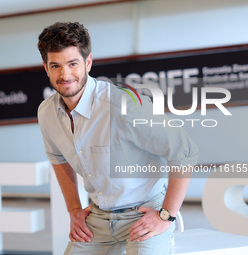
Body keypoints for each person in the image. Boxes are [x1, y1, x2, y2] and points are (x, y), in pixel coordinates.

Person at [37, 21, 198, 255]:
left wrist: (166, 215)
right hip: (98, 217)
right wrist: (74, 209)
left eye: (73, 63)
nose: (65, 74)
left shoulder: (124, 105)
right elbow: (58, 157)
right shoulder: (46, 113)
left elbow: (185, 152)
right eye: (56, 66)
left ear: (88, 62)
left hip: (144, 213)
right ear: (46, 67)